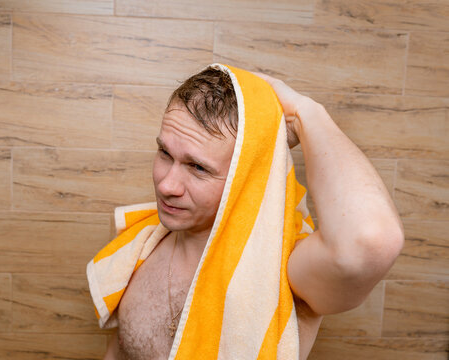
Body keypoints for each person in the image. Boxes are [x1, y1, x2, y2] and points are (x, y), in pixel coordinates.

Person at [100, 66, 404, 359]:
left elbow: (371, 241)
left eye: (197, 167)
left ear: (245, 176)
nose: (167, 185)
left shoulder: (285, 270)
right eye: (165, 153)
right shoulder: (145, 244)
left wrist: (304, 112)